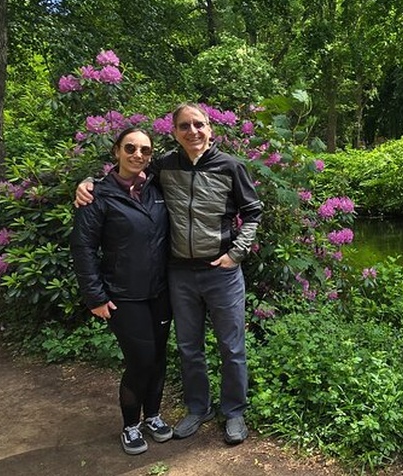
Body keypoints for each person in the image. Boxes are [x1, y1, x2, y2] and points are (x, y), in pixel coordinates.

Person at [76, 103, 263, 445]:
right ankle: (198, 407)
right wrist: (88, 182)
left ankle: (234, 412)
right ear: (175, 132)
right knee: (189, 347)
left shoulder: (231, 166)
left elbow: (252, 212)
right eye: (184, 126)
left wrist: (235, 254)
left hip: (221, 273)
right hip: (179, 273)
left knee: (231, 347)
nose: (193, 131)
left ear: (210, 129)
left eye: (199, 124)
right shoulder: (164, 166)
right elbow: (123, 177)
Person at [70, 127, 173, 455]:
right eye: (130, 148)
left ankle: (153, 416)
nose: (137, 155)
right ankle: (131, 424)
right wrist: (95, 296)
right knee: (140, 360)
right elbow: (83, 248)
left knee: (158, 359)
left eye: (145, 150)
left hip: (160, 292)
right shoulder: (97, 194)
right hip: (123, 295)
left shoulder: (157, 186)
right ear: (116, 151)